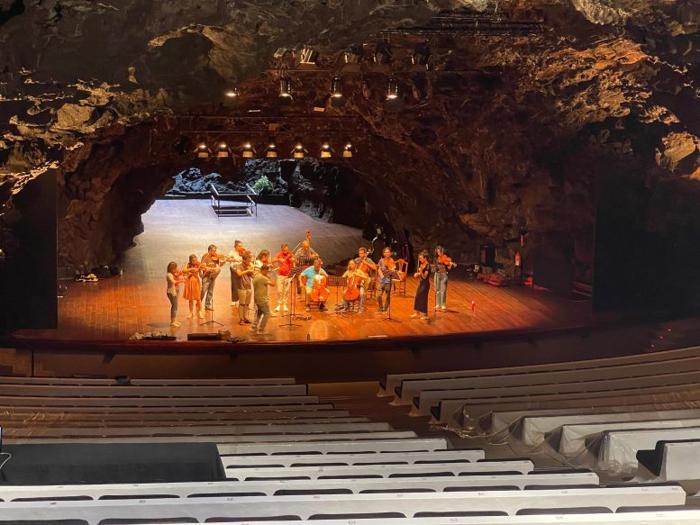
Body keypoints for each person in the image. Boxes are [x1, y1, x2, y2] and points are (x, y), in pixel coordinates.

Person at [251, 264, 275, 335]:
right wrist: (270, 276)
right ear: (264, 270)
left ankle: (254, 326)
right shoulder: (262, 278)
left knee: (259, 313)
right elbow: (273, 284)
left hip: (257, 298)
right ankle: (261, 329)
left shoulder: (256, 276)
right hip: (262, 299)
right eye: (267, 271)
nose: (267, 273)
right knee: (267, 314)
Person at [376, 247, 399, 313]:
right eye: (385, 252)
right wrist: (382, 276)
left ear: (390, 253)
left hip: (388, 280)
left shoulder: (391, 260)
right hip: (381, 279)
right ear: (383, 253)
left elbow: (393, 269)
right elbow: (379, 269)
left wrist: (392, 270)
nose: (387, 253)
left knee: (388, 295)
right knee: (378, 295)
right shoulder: (381, 260)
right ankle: (380, 307)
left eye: (388, 252)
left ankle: (385, 309)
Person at [200, 244, 223, 311]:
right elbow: (202, 267)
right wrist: (209, 269)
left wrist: (223, 261)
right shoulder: (205, 256)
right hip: (206, 276)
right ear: (209, 250)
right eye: (214, 251)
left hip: (212, 277)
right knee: (203, 291)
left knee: (210, 291)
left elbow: (219, 265)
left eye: (215, 251)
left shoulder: (216, 257)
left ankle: (207, 305)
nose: (215, 252)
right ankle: (199, 303)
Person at [354, 246, 376, 313]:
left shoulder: (368, 260)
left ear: (365, 253)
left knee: (362, 293)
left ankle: (361, 307)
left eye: (362, 253)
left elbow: (374, 267)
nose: (360, 255)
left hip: (365, 278)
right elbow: (351, 267)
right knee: (354, 290)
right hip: (357, 278)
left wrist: (366, 263)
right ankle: (353, 304)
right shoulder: (357, 260)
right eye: (359, 253)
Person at [434, 245, 456, 311]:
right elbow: (435, 266)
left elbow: (448, 267)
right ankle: (438, 304)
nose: (439, 254)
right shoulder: (436, 258)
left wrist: (450, 264)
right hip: (437, 274)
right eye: (437, 252)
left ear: (442, 251)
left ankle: (443, 304)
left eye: (440, 252)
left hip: (444, 275)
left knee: (443, 290)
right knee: (437, 290)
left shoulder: (445, 257)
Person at [235, 251, 255, 324]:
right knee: (242, 304)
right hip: (241, 287)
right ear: (244, 259)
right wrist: (247, 270)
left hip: (249, 286)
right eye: (248, 260)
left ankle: (246, 317)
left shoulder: (249, 266)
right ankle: (241, 319)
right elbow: (239, 274)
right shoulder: (239, 266)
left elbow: (253, 276)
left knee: (247, 304)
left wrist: (253, 271)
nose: (250, 262)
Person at [182, 254, 204, 319]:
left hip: (196, 282)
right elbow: (183, 270)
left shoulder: (199, 264)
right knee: (190, 299)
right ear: (190, 261)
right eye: (194, 260)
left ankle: (200, 312)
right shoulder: (188, 265)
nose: (195, 261)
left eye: (196, 259)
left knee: (198, 298)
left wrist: (202, 272)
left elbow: (200, 275)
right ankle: (191, 312)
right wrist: (192, 269)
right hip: (189, 282)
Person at [411, 250, 431, 320]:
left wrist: (420, 272)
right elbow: (421, 275)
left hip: (425, 284)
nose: (419, 260)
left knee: (423, 299)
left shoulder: (428, 266)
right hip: (421, 283)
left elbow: (425, 277)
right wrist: (417, 274)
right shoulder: (422, 264)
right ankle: (417, 313)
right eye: (419, 258)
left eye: (421, 258)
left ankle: (425, 315)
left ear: (425, 258)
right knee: (417, 296)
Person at [275, 243, 294, 312]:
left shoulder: (290, 254)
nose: (286, 251)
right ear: (282, 249)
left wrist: (293, 260)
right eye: (284, 250)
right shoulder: (279, 254)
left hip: (288, 275)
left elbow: (295, 260)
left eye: (287, 249)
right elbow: (272, 260)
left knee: (286, 290)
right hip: (280, 275)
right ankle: (279, 304)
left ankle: (285, 304)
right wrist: (279, 259)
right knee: (279, 291)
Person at [228, 240, 245, 306]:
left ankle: (240, 300)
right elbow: (228, 259)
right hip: (234, 269)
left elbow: (246, 258)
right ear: (235, 246)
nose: (241, 247)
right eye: (239, 246)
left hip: (241, 269)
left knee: (241, 285)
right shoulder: (232, 252)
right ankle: (234, 300)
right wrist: (234, 259)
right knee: (234, 285)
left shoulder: (242, 252)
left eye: (241, 246)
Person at [166, 261, 182, 327]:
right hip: (172, 292)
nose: (176, 269)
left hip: (174, 292)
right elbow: (173, 282)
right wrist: (181, 281)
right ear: (171, 269)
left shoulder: (173, 274)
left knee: (175, 306)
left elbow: (178, 274)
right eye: (175, 268)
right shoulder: (169, 275)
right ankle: (172, 322)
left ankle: (174, 320)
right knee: (174, 307)